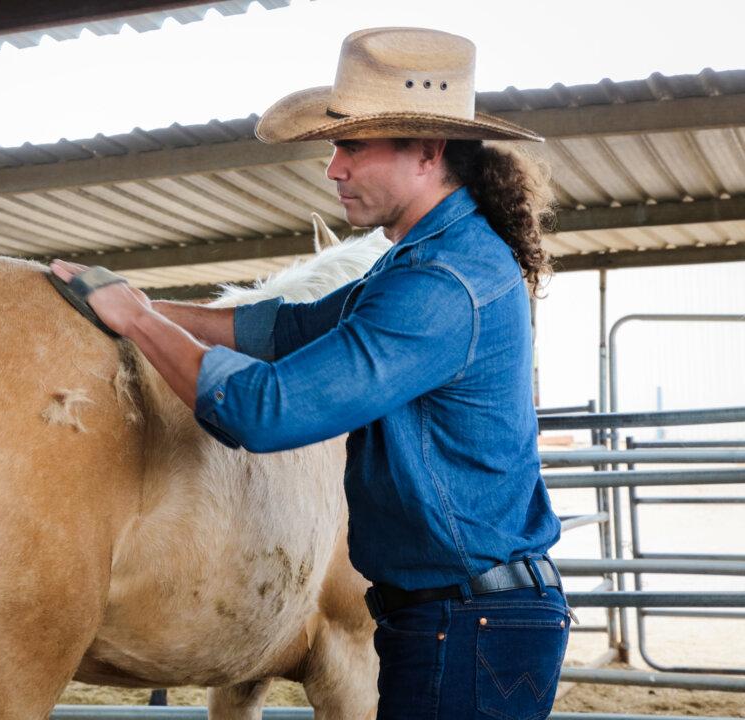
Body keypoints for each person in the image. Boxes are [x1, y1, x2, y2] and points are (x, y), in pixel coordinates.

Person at [52, 27, 569, 720]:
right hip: (455, 617)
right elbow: (282, 327)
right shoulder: (419, 261)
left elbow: (269, 413)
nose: (333, 169)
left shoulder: (442, 284)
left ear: (426, 151)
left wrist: (142, 327)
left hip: (469, 625)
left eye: (352, 145)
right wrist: (141, 305)